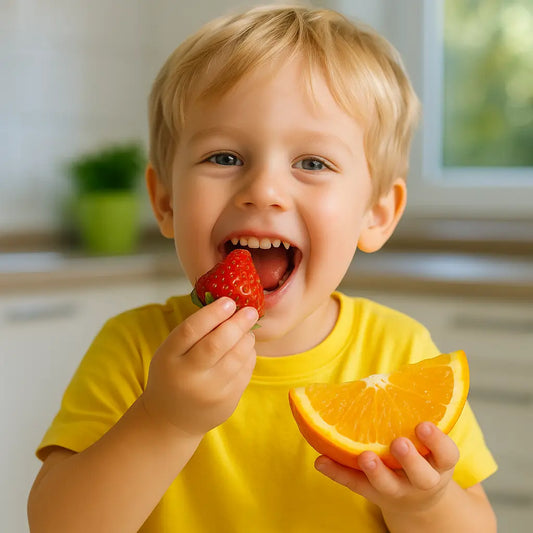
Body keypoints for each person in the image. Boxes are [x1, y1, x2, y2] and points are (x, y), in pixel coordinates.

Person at [28, 4, 498, 532]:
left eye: (313, 163)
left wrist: (423, 505)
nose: (264, 192)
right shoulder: (135, 350)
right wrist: (165, 419)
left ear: (377, 213)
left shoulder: (401, 353)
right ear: (165, 202)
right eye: (225, 157)